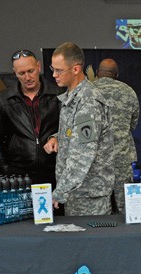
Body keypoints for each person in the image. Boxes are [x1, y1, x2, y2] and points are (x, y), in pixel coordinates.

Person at [48, 42, 114, 216]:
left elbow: (82, 154)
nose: (54, 75)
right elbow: (73, 133)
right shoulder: (73, 97)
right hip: (77, 192)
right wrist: (56, 137)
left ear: (75, 69)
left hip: (89, 196)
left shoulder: (88, 102)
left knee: (91, 243)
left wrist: (60, 191)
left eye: (59, 70)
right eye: (52, 69)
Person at [0, 49, 63, 185]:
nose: (27, 77)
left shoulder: (58, 95)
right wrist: (5, 171)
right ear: (14, 72)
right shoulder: (4, 99)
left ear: (38, 66)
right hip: (18, 175)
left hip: (53, 173)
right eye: (21, 73)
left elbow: (68, 131)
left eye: (31, 71)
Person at [94, 58, 140, 214]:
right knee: (126, 206)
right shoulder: (129, 91)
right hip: (123, 157)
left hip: (96, 160)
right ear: (117, 75)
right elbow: (132, 125)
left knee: (100, 206)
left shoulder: (88, 91)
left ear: (97, 73)